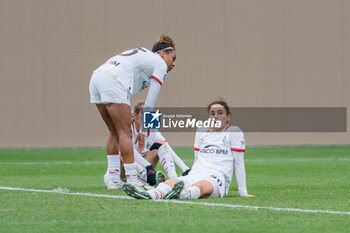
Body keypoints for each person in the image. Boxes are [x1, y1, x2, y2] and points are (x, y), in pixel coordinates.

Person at [89, 34, 176, 190]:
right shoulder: (160, 64)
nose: (173, 64)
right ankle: (132, 179)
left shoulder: (145, 57)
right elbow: (150, 103)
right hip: (112, 79)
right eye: (173, 58)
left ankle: (114, 179)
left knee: (114, 131)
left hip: (96, 77)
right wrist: (143, 131)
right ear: (163, 54)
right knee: (125, 132)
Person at [123, 99, 255, 199]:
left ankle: (182, 194)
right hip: (196, 173)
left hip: (216, 177)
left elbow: (238, 162)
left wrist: (243, 193)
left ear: (228, 116)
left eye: (220, 113)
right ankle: (149, 194)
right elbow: (197, 158)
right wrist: (189, 172)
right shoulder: (202, 131)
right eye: (212, 113)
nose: (215, 117)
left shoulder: (234, 132)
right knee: (172, 182)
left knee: (202, 186)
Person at [104, 102, 191, 188]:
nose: (147, 117)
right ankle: (143, 177)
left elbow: (167, 149)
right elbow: (128, 151)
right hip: (122, 173)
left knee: (161, 145)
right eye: (143, 114)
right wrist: (147, 168)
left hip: (142, 170)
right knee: (122, 153)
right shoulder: (127, 129)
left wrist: (186, 169)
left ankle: (173, 179)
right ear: (134, 115)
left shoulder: (152, 129)